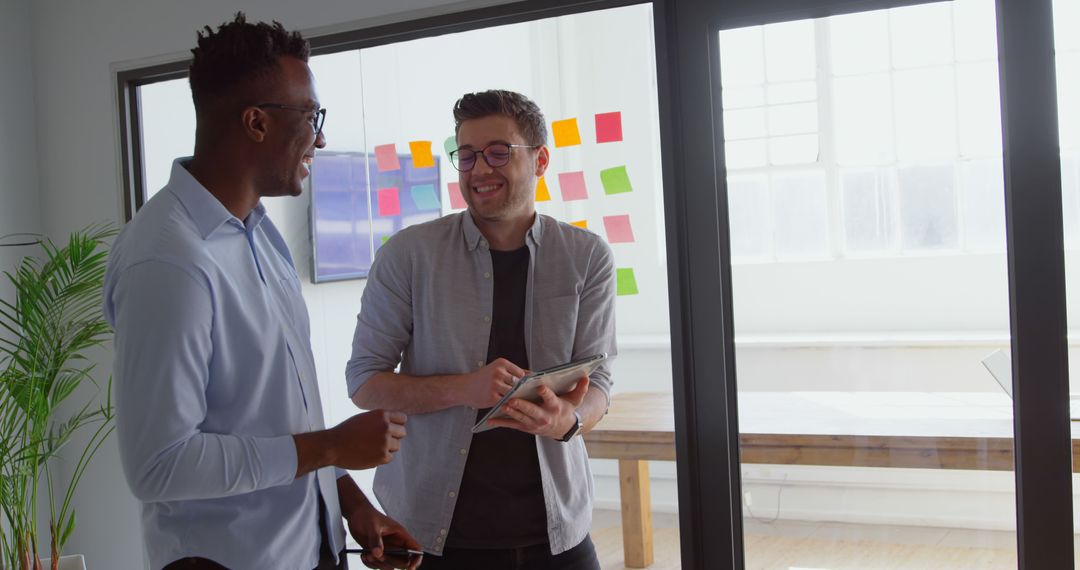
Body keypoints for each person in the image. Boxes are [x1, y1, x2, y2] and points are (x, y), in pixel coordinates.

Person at [103, 14, 420, 570]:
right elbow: (157, 465)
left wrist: (347, 500)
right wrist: (331, 447)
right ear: (255, 123)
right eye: (311, 116)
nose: (320, 137)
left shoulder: (260, 233)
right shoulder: (168, 261)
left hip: (307, 546)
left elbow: (278, 415)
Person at [346, 89, 617, 569]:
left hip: (558, 533)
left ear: (540, 160)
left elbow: (598, 382)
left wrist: (567, 421)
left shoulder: (586, 256)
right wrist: (463, 388)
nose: (479, 170)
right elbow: (365, 383)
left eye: (498, 152)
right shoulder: (408, 256)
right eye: (466, 155)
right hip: (432, 535)